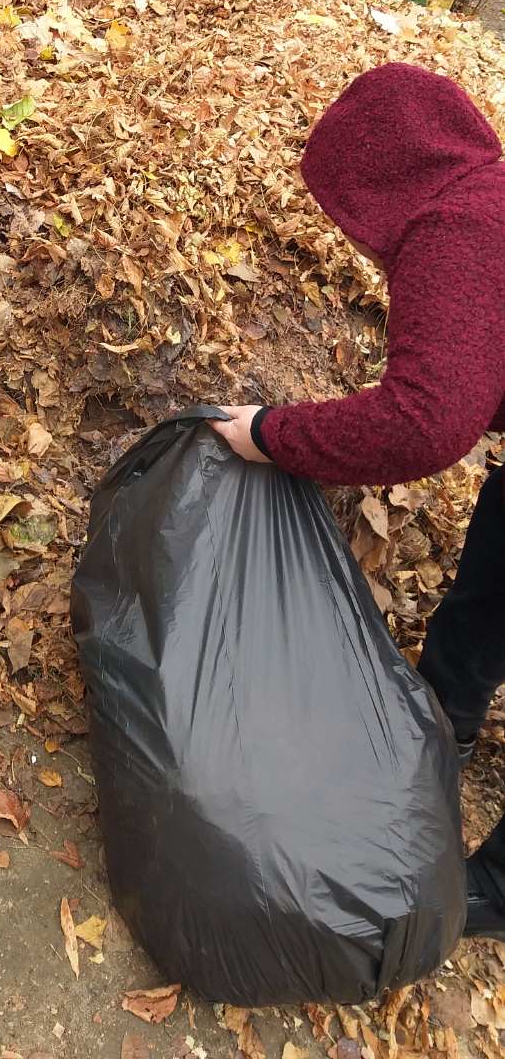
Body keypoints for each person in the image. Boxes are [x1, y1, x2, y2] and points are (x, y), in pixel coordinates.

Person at [213, 63, 505, 941]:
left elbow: (423, 422)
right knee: (493, 580)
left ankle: (493, 892)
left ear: (375, 180)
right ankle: (441, 723)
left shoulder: (458, 230)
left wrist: (271, 435)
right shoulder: (486, 197)